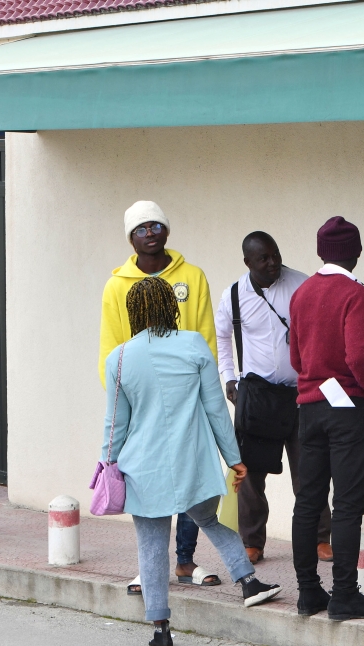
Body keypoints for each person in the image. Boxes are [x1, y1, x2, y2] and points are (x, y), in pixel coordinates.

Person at [103, 277, 281, 646]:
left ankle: (161, 630)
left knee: (151, 544)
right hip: (192, 462)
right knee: (210, 520)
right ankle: (248, 583)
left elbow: (115, 424)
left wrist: (108, 462)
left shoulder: (118, 358)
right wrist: (234, 458)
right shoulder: (194, 346)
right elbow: (217, 409)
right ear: (172, 306)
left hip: (143, 468)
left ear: (133, 313)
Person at [99, 201, 219, 592]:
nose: (150, 232)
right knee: (148, 486)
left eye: (156, 225)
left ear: (166, 230)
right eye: (141, 228)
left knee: (191, 480)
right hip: (143, 402)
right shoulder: (117, 285)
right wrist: (122, 399)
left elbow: (206, 336)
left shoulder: (192, 276)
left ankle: (185, 561)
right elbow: (112, 346)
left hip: (189, 400)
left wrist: (207, 390)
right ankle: (150, 567)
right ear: (131, 239)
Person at [290, 216, 364, 621]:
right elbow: (357, 354)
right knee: (348, 505)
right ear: (356, 253)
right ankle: (345, 595)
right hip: (348, 409)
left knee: (308, 503)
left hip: (309, 408)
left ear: (320, 252)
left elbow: (296, 358)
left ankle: (308, 593)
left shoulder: (301, 293)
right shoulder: (356, 293)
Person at [215, 231, 332, 564]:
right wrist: (229, 378)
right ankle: (252, 541)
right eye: (263, 258)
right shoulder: (234, 295)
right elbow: (222, 339)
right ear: (248, 262)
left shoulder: (302, 284)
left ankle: (321, 537)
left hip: (300, 393)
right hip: (257, 397)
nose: (272, 262)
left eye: (275, 254)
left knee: (310, 469)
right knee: (249, 474)